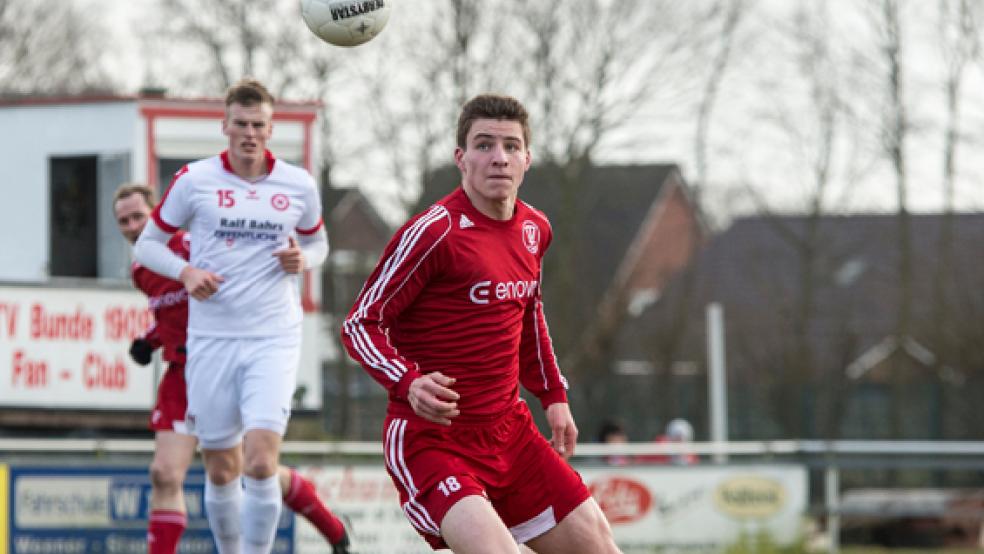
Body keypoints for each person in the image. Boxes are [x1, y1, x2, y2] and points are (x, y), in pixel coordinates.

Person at [341, 93, 621, 554]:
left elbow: (529, 315)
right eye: (484, 145)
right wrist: (409, 382)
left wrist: (553, 395)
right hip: (433, 440)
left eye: (511, 147)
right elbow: (360, 324)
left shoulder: (535, 229)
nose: (499, 158)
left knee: (600, 547)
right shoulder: (434, 233)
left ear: (527, 160)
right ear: (461, 158)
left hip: (511, 432)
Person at [132, 78, 334, 554]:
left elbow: (318, 242)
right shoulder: (195, 180)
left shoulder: (298, 184)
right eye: (240, 124)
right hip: (212, 340)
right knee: (222, 468)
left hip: (273, 337)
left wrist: (303, 260)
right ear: (224, 126)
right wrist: (185, 272)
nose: (249, 133)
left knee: (262, 462)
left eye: (258, 125)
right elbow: (147, 245)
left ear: (271, 129)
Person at [114, 183, 350, 553]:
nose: (132, 226)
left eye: (138, 216)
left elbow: (229, 294)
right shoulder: (142, 270)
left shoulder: (195, 248)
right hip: (180, 376)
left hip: (220, 367)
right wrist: (152, 340)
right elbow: (174, 314)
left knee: (252, 467)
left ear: (158, 213)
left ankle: (332, 527)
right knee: (164, 474)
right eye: (124, 221)